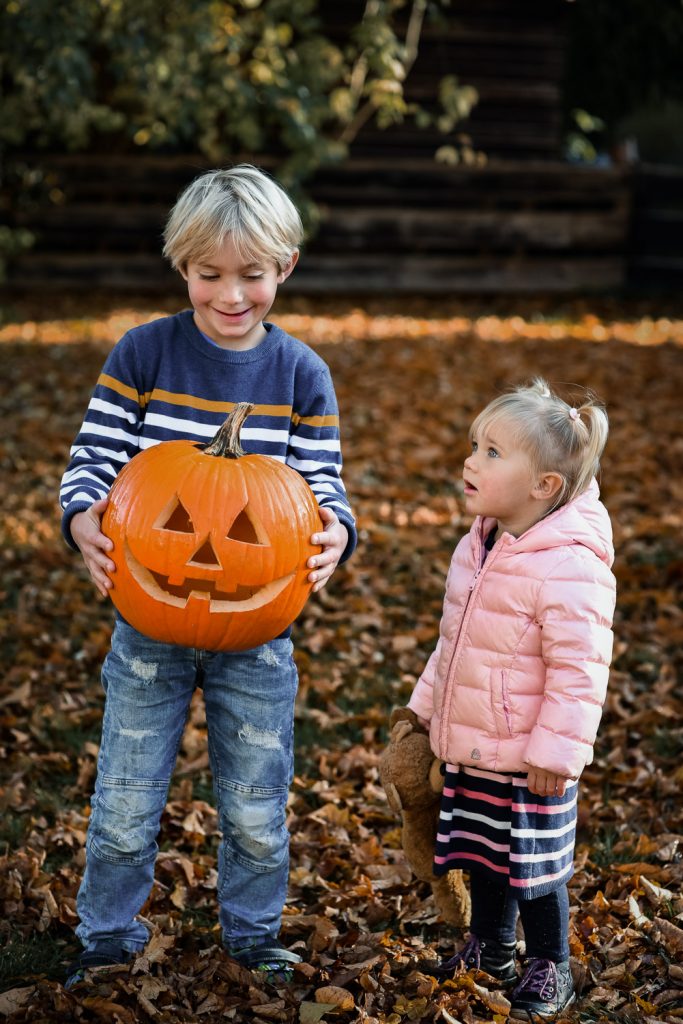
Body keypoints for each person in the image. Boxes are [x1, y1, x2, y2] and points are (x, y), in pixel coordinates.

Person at [59, 164, 357, 989]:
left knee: (257, 803)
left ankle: (253, 935)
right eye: (208, 274)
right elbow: (95, 455)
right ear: (181, 266)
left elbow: (320, 483)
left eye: (251, 275)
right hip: (147, 627)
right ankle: (107, 936)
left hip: (258, 635)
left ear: (285, 267)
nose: (231, 295)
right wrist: (82, 515)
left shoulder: (301, 375)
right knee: (125, 795)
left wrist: (337, 530)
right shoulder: (144, 353)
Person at [407, 378, 615, 1021]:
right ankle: (491, 947)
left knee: (533, 866)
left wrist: (556, 753)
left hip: (531, 758)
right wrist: (422, 710)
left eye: (492, 452)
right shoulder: (480, 544)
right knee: (482, 853)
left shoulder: (569, 564)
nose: (471, 460)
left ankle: (550, 963)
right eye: (475, 445)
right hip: (475, 741)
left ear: (543, 486)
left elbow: (580, 670)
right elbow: (454, 643)